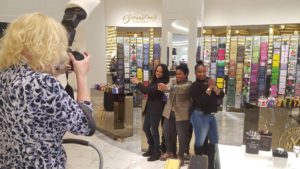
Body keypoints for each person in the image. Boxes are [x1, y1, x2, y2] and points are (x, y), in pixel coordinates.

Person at [0, 13, 95, 169]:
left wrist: (53, 72)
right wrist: (82, 76)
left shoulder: (4, 75)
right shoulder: (43, 83)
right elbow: (85, 125)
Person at [190, 60, 224, 169]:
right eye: (199, 72)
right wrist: (209, 88)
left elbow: (221, 95)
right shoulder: (194, 86)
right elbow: (201, 102)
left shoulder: (210, 82)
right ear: (195, 73)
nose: (202, 74)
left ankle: (210, 164)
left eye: (204, 71)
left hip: (211, 115)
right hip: (199, 115)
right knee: (200, 141)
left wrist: (214, 88)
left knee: (214, 140)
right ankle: (199, 164)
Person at [131, 64, 169, 161]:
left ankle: (156, 151)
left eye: (161, 72)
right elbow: (147, 91)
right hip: (150, 107)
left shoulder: (162, 83)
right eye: (157, 71)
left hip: (156, 109)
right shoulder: (155, 81)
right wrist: (139, 84)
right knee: (145, 128)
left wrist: (138, 83)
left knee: (154, 130)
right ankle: (151, 147)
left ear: (164, 73)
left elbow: (148, 91)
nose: (158, 73)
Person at [157, 63, 192, 166]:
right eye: (177, 74)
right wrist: (165, 88)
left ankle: (180, 155)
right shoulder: (173, 82)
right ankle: (169, 152)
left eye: (180, 74)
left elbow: (179, 89)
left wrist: (168, 87)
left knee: (182, 136)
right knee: (166, 132)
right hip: (169, 112)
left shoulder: (188, 84)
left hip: (182, 114)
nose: (178, 76)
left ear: (186, 74)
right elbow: (169, 88)